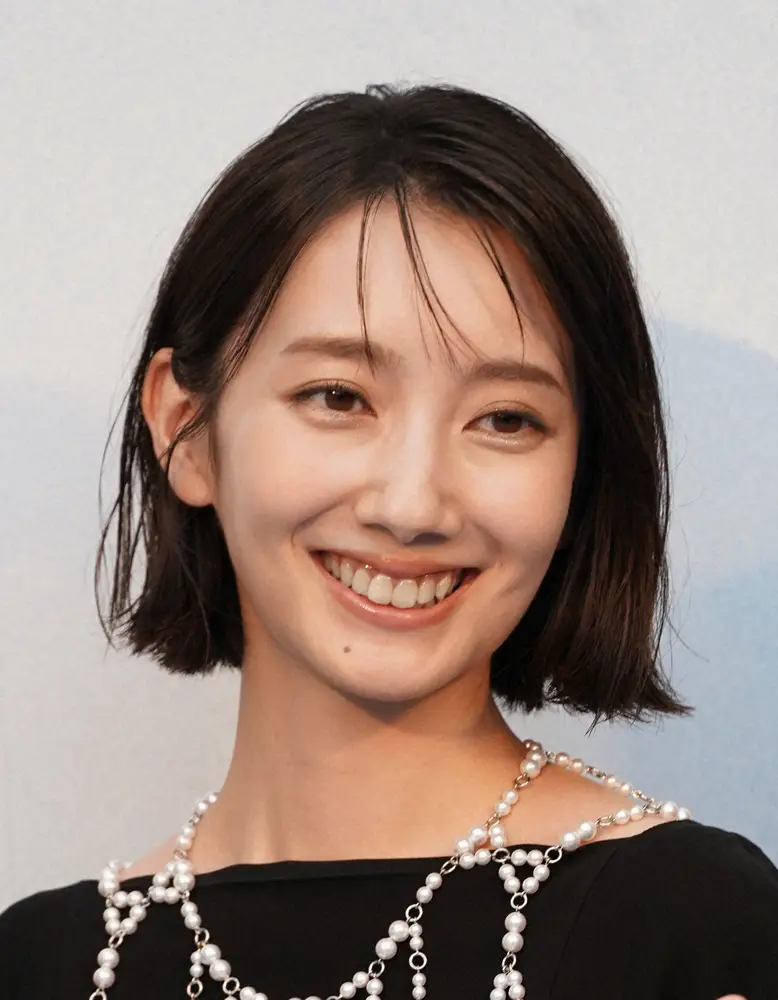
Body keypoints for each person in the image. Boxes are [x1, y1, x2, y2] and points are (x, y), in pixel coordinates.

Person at [1, 83, 776, 1000]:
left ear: (582, 473)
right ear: (186, 429)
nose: (412, 505)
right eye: (338, 397)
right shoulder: (40, 964)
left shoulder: (692, 930)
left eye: (506, 419)